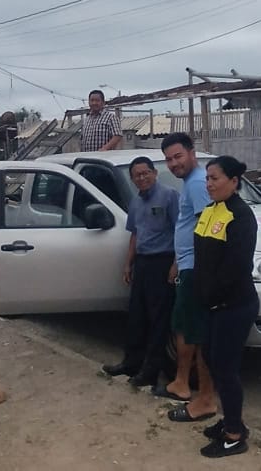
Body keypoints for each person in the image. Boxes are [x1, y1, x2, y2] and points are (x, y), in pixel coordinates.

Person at [193, 155, 260, 458]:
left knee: (225, 368)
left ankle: (234, 435)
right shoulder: (210, 211)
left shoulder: (241, 216)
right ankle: (231, 420)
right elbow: (203, 260)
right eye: (207, 178)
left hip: (234, 305)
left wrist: (212, 296)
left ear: (234, 182)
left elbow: (236, 267)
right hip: (212, 305)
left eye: (215, 178)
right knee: (211, 359)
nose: (209, 184)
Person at [101, 156, 180, 388]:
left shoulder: (169, 196)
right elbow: (135, 234)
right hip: (143, 263)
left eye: (146, 173)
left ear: (154, 173)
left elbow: (181, 231)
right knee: (137, 315)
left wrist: (176, 264)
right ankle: (131, 362)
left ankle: (151, 372)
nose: (142, 178)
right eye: (137, 175)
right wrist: (128, 264)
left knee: (158, 319)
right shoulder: (136, 201)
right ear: (133, 179)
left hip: (162, 262)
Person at [161, 132, 218, 422]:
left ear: (192, 153)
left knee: (193, 330)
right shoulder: (192, 182)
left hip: (196, 269)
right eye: (169, 159)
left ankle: (195, 392)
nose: (173, 164)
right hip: (187, 265)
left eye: (178, 156)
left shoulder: (197, 184)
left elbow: (204, 230)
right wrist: (177, 262)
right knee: (185, 326)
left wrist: (195, 270)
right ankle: (180, 381)